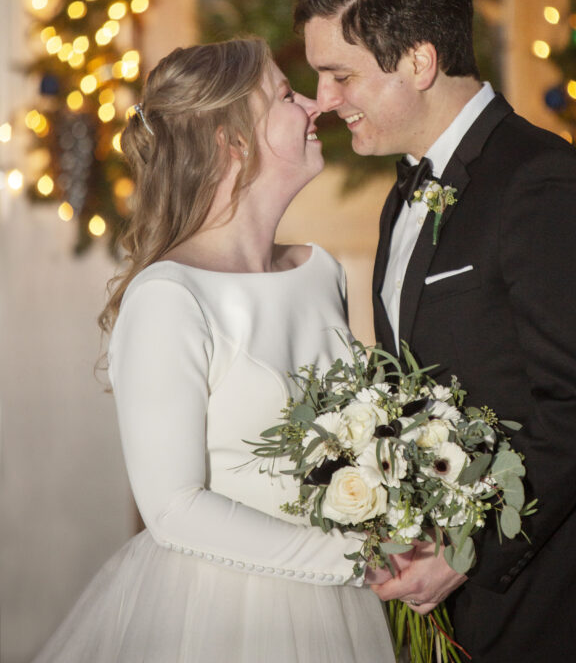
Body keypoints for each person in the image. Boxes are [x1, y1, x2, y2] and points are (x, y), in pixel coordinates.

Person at [295, 0, 576, 663]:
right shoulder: (402, 191)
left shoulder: (540, 182)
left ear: (416, 60)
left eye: (338, 75)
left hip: (574, 594)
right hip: (476, 606)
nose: (324, 102)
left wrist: (465, 548)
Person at [33, 38, 395, 663]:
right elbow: (173, 508)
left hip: (349, 609)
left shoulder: (321, 271)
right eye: (285, 95)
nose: (313, 106)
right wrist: (357, 559)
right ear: (233, 142)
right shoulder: (169, 297)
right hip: (222, 615)